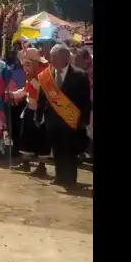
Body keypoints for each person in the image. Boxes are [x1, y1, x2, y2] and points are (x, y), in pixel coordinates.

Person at [36, 43, 92, 188]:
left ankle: (70, 178)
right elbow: (42, 97)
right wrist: (38, 115)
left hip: (71, 119)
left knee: (70, 149)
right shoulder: (47, 75)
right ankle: (60, 176)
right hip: (52, 119)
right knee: (57, 148)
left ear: (66, 58)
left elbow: (85, 100)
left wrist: (84, 120)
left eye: (55, 57)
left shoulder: (80, 75)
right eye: (52, 57)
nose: (52, 60)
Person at [6, 47, 51, 176]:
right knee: (25, 136)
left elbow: (43, 90)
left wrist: (31, 78)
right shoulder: (29, 73)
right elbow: (26, 90)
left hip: (41, 110)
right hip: (29, 108)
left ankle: (42, 166)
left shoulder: (45, 72)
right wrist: (13, 95)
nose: (25, 65)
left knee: (42, 138)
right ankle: (26, 163)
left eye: (28, 63)